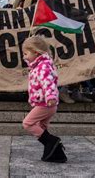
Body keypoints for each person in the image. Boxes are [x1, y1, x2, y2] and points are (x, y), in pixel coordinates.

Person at [22, 35, 67, 163]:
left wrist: (51, 96)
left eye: (26, 53)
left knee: (27, 123)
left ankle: (53, 142)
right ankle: (56, 153)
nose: (24, 57)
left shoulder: (43, 66)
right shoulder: (37, 65)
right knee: (42, 127)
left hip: (46, 104)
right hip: (45, 104)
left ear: (36, 52)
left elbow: (48, 82)